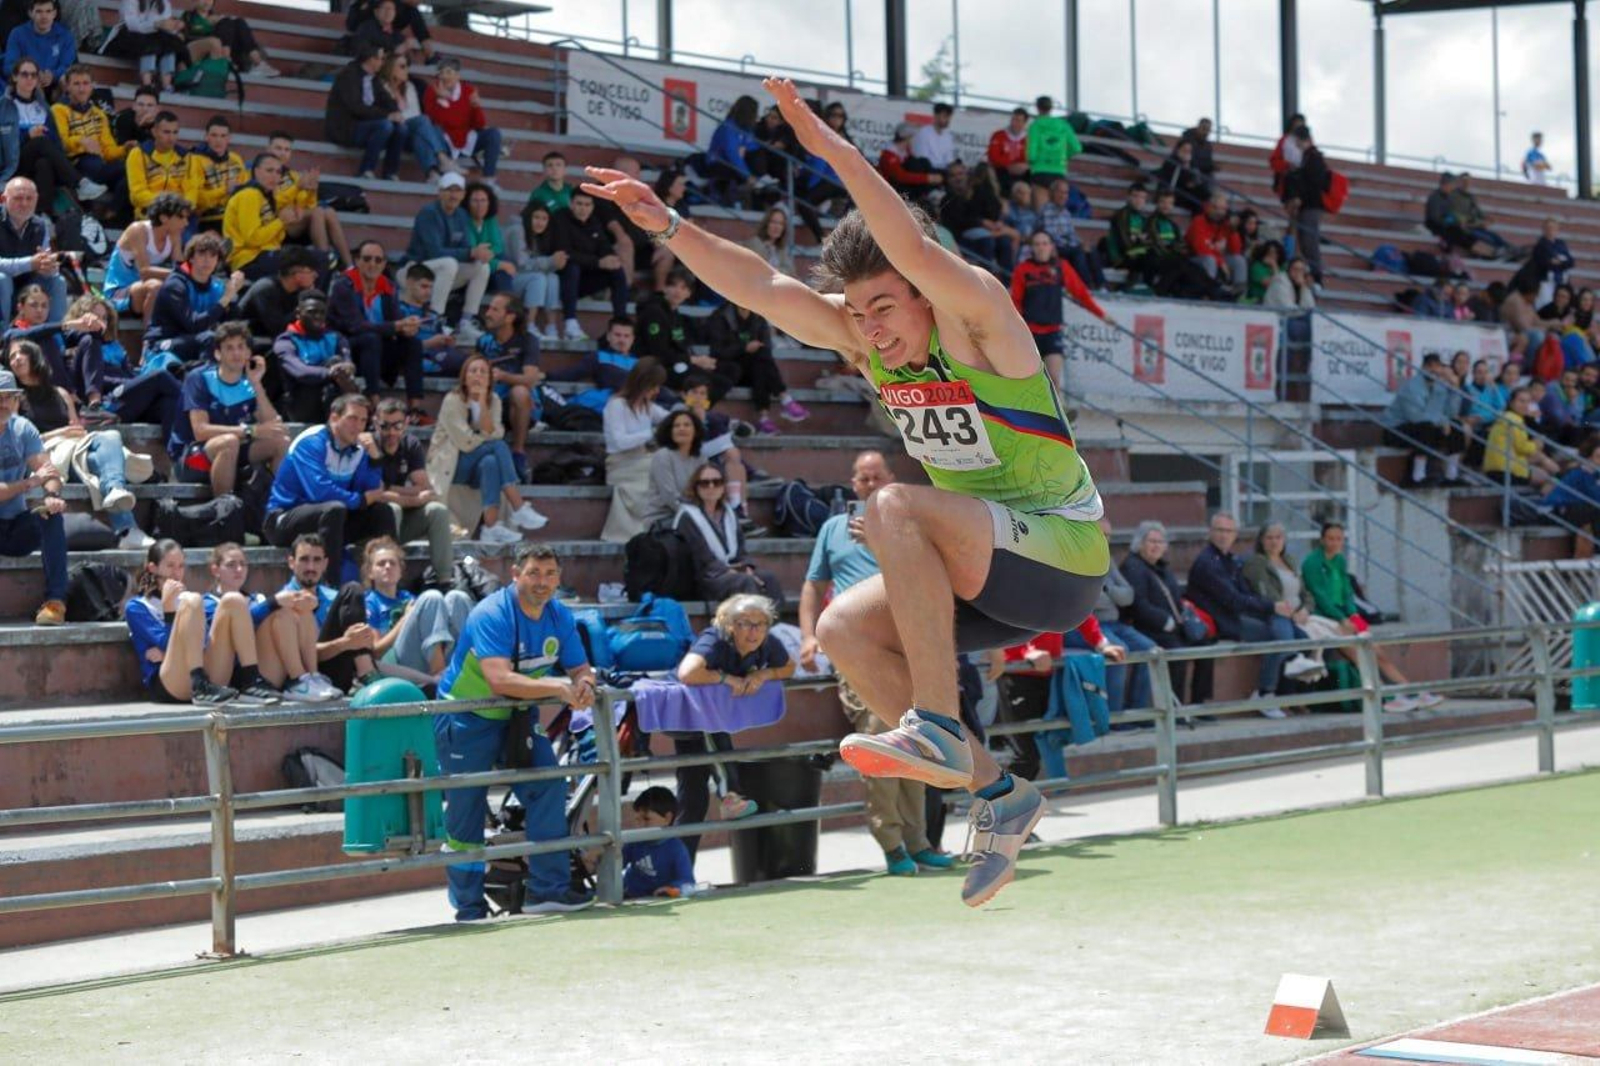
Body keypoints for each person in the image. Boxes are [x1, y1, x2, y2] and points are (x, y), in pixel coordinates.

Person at [585, 76, 1109, 907]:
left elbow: (913, 250)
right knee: (840, 628)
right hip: (992, 569)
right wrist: (671, 226)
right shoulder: (869, 344)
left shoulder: (980, 321)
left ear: (926, 290)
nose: (869, 328)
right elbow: (763, 287)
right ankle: (1000, 793)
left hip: (1064, 554)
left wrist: (831, 149)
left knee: (892, 502)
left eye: (885, 306)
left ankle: (936, 726)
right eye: (857, 312)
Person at [799, 450, 954, 875]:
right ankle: (892, 842)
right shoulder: (832, 529)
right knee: (881, 739)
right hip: (859, 649)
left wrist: (880, 542)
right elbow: (813, 586)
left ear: (891, 480)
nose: (869, 485)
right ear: (853, 484)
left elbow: (933, 579)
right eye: (862, 479)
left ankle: (918, 840)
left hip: (908, 643)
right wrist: (809, 635)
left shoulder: (908, 527)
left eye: (876, 477)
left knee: (917, 741)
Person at [435, 542, 598, 919]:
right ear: (515, 575)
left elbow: (580, 667)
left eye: (550, 574)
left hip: (518, 715)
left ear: (559, 577)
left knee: (549, 785)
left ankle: (547, 891)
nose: (542, 581)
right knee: (465, 814)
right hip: (465, 717)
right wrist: (558, 688)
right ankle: (469, 910)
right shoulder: (491, 613)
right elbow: (500, 680)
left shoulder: (559, 615)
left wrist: (585, 683)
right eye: (533, 573)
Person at [674, 592, 794, 852]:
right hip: (684, 715)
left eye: (760, 624)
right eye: (745, 624)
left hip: (711, 717)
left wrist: (764, 674)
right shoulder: (715, 640)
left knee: (693, 797)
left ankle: (681, 869)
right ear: (730, 626)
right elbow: (687, 672)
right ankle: (730, 796)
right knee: (697, 785)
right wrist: (726, 679)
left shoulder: (767, 642)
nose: (754, 631)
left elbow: (788, 667)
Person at [10, 337, 154, 547]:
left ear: (34, 355)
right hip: (45, 455)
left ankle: (115, 491)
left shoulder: (60, 393)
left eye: (20, 353)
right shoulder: (12, 399)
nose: (15, 359)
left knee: (109, 439)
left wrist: (73, 432)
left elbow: (76, 429)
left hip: (73, 450)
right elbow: (16, 439)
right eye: (11, 356)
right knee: (99, 465)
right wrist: (61, 433)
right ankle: (127, 529)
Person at [1184, 511, 1315, 714]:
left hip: (1237, 617)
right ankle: (1265, 692)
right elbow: (1233, 600)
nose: (1224, 535)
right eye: (1219, 530)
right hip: (1223, 623)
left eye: (1228, 531)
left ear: (1235, 534)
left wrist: (1272, 608)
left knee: (1293, 632)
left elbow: (1246, 594)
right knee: (1277, 636)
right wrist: (1272, 607)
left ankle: (1293, 658)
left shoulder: (1229, 559)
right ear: (1210, 532)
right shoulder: (1208, 562)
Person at [1301, 522, 1441, 712]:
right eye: (1330, 539)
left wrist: (1353, 616)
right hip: (1326, 618)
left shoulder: (1340, 560)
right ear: (1322, 540)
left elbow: (1347, 592)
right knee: (1360, 656)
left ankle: (1410, 691)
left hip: (1348, 615)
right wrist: (1342, 619)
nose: (1335, 543)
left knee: (1378, 652)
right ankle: (1386, 697)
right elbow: (1321, 597)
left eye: (1339, 539)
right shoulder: (1312, 563)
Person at [126, 539, 273, 706]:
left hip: (205, 673)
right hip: (169, 685)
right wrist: (169, 610)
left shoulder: (188, 601)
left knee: (234, 600)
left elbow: (201, 644)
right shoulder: (137, 607)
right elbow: (168, 644)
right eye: (170, 566)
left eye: (181, 566)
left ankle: (250, 681)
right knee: (193, 600)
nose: (176, 573)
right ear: (153, 568)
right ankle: (199, 686)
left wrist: (165, 654)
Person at [262, 393, 398, 567]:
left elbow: (370, 492)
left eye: (363, 421)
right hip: (284, 519)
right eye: (352, 418)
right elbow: (319, 492)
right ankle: (331, 582)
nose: (358, 426)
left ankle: (388, 577)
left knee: (381, 511)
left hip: (332, 519)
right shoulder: (311, 441)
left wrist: (375, 458)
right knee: (334, 508)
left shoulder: (359, 448)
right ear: (334, 418)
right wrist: (360, 500)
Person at [424, 351, 545, 543]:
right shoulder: (452, 400)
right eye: (473, 371)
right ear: (464, 377)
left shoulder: (493, 400)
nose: (478, 375)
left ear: (490, 379)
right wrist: (488, 436)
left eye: (483, 372)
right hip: (450, 465)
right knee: (498, 446)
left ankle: (491, 527)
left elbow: (497, 432)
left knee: (490, 462)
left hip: (475, 465)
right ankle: (518, 505)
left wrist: (481, 402)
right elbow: (466, 442)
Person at [206, 541, 342, 701]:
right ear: (215, 570)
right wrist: (273, 602)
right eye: (231, 565)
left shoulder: (257, 599)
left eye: (243, 564)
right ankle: (298, 680)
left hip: (263, 673)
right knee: (279, 611)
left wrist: (304, 604)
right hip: (230, 675)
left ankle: (310, 677)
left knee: (296, 611)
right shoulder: (208, 602)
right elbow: (227, 635)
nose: (239, 569)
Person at [169, 320, 287, 497]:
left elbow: (273, 426)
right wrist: (252, 431)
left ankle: (273, 506)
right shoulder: (199, 378)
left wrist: (256, 384)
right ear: (218, 354)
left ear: (249, 353)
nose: (236, 353)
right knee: (229, 442)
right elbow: (200, 431)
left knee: (281, 442)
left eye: (241, 347)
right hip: (193, 459)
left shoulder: (248, 385)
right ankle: (224, 508)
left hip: (234, 453)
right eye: (229, 348)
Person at [327, 238, 425, 418]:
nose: (372, 264)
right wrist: (396, 326)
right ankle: (374, 403)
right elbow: (355, 326)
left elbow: (395, 321)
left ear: (384, 264)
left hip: (377, 349)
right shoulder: (343, 286)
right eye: (367, 259)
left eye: (378, 260)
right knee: (370, 339)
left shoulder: (388, 286)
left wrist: (407, 327)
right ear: (357, 261)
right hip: (350, 349)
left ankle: (415, 408)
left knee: (413, 343)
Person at [1120, 519, 1211, 706]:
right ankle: (1173, 710)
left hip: (1172, 626)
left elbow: (1176, 598)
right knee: (1177, 653)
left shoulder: (1163, 568)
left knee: (1206, 646)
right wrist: (1166, 622)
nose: (1156, 546)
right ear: (1140, 543)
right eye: (1151, 541)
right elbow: (1138, 605)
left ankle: (1198, 703)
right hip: (1147, 628)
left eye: (1160, 542)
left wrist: (1182, 618)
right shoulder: (1132, 566)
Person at [277, 531, 381, 693]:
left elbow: (362, 643)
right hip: (304, 680)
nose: (311, 567)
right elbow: (302, 657)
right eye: (304, 559)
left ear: (325, 564)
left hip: (339, 673)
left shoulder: (337, 599)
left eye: (317, 560)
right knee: (352, 589)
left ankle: (366, 672)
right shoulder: (282, 603)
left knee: (353, 590)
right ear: (291, 562)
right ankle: (366, 673)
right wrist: (345, 643)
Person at [361, 536, 473, 685]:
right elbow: (375, 651)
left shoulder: (408, 598)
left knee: (457, 598)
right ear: (370, 572)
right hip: (396, 664)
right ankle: (439, 673)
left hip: (423, 657)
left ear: (400, 571)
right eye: (381, 564)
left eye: (392, 563)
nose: (387, 567)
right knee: (432, 597)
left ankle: (474, 667)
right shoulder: (369, 602)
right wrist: (405, 618)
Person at [1241, 522, 1341, 688]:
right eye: (1269, 538)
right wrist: (1293, 613)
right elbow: (1267, 592)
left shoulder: (1292, 560)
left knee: (1324, 642)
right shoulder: (1258, 562)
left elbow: (1309, 593)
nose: (1274, 542)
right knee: (1293, 642)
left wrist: (1306, 610)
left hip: (1306, 616)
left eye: (1278, 537)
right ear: (1262, 541)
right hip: (1279, 614)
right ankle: (1271, 691)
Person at [673, 459, 782, 604]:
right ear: (696, 487)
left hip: (731, 571)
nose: (711, 487)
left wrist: (747, 567)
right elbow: (701, 557)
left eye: (717, 482)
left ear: (723, 486)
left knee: (768, 579)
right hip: (704, 578)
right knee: (745, 581)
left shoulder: (728, 512)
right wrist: (733, 571)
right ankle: (752, 618)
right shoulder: (688, 517)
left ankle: (774, 619)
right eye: (705, 483)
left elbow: (741, 549)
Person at [0, 365, 61, 623]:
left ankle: (55, 602)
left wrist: (51, 495)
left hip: (14, 525)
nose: (3, 404)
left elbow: (49, 472)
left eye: (9, 397)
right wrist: (30, 483)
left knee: (50, 515)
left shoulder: (23, 429)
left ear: (17, 401)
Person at [1010, 229, 1105, 390]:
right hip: (1028, 333)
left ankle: (1058, 407)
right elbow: (1015, 302)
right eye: (1037, 244)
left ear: (1051, 246)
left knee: (1054, 380)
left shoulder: (1061, 266)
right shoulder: (1022, 269)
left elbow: (1080, 293)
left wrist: (1102, 315)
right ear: (1032, 248)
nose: (1041, 247)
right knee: (1026, 381)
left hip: (1052, 332)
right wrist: (1016, 329)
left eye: (1045, 243)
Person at [369, 397, 452, 578]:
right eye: (385, 426)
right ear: (375, 423)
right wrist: (414, 499)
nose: (391, 432)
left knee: (437, 511)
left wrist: (390, 488)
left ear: (406, 423)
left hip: (399, 524)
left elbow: (423, 487)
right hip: (371, 524)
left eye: (397, 426)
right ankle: (389, 577)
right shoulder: (369, 445)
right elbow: (377, 494)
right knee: (392, 508)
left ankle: (445, 578)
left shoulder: (410, 444)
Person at [405, 171, 490, 342]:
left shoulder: (462, 215)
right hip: (415, 269)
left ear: (463, 194)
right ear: (440, 192)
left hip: (443, 271)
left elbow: (465, 248)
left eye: (457, 191)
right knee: (449, 263)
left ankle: (466, 322)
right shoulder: (429, 213)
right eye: (449, 190)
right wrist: (470, 252)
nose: (453, 195)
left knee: (482, 267)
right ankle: (435, 319)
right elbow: (434, 252)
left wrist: (477, 253)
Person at [704, 299, 808, 435]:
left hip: (754, 369)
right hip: (729, 369)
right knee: (761, 363)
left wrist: (752, 349)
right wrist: (744, 348)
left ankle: (765, 418)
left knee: (761, 363)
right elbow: (716, 352)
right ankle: (784, 400)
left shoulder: (759, 317)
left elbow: (767, 347)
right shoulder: (720, 316)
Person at [8, 60, 97, 213]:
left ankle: (41, 213)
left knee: (45, 164)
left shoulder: (43, 108)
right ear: (15, 77)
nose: (29, 78)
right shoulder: (5, 106)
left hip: (36, 163)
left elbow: (56, 142)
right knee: (40, 141)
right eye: (24, 74)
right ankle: (79, 182)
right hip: (12, 163)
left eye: (34, 75)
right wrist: (27, 135)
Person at [144, 232, 246, 365]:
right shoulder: (176, 284)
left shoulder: (217, 286)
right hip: (162, 344)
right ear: (191, 258)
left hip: (196, 340)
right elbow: (193, 325)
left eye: (213, 255)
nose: (207, 260)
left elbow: (232, 323)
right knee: (210, 338)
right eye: (202, 254)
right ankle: (205, 377)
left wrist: (232, 296)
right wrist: (226, 298)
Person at [600, 356, 667, 543]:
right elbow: (620, 441)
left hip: (642, 460)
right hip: (621, 465)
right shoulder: (616, 405)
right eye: (654, 386)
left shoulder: (648, 407)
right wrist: (651, 433)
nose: (657, 391)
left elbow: (668, 419)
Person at [475, 291, 541, 473]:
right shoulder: (483, 341)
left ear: (510, 317)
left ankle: (518, 453)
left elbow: (530, 379)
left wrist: (503, 376)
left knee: (519, 391)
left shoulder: (528, 340)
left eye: (495, 310)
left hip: (520, 406)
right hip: (489, 402)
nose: (488, 313)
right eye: (489, 308)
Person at [266, 131, 352, 271]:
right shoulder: (263, 172)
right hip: (275, 223)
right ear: (268, 149)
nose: (283, 153)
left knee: (328, 212)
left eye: (287, 150)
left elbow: (309, 205)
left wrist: (312, 190)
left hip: (296, 221)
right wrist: (297, 188)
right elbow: (273, 202)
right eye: (278, 148)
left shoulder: (293, 176)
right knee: (317, 212)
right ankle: (324, 263)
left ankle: (350, 267)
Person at [551, 187, 628, 341]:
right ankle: (570, 323)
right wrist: (598, 262)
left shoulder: (594, 222)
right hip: (561, 280)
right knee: (571, 267)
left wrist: (611, 259)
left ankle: (620, 323)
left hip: (585, 280)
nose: (583, 209)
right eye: (579, 204)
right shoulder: (560, 218)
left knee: (617, 271)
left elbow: (604, 247)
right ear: (571, 204)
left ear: (592, 207)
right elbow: (564, 253)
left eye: (587, 205)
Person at [101, 190, 186, 322]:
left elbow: (180, 267)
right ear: (164, 218)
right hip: (119, 293)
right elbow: (144, 272)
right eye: (181, 218)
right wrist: (183, 274)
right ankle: (151, 334)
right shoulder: (138, 230)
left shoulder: (175, 236)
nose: (186, 223)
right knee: (155, 286)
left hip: (145, 292)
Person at [273, 289, 358, 423]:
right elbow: (300, 372)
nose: (317, 316)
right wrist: (330, 372)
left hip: (332, 393)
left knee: (338, 365)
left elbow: (347, 364)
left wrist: (345, 368)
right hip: (302, 402)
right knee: (334, 368)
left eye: (322, 313)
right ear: (298, 313)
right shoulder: (286, 341)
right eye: (312, 312)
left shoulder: (336, 337)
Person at [324, 42, 404, 181]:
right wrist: (387, 115)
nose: (383, 62)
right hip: (347, 128)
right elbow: (356, 107)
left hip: (367, 125)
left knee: (401, 128)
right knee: (385, 125)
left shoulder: (374, 79)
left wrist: (396, 113)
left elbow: (386, 100)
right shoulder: (349, 76)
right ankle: (366, 170)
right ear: (371, 59)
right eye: (381, 58)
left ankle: (390, 173)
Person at [1382, 352, 1465, 486]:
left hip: (1423, 428)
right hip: (1395, 430)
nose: (1434, 370)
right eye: (1430, 366)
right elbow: (1416, 417)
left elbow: (1451, 413)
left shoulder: (1440, 387)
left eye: (1437, 366)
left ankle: (1451, 476)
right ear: (1422, 368)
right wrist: (1442, 421)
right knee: (1425, 427)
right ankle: (1418, 477)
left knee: (1456, 425)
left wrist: (1455, 389)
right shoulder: (1411, 387)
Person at [50, 65, 124, 205]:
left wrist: (126, 149)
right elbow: (61, 143)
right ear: (67, 87)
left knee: (125, 172)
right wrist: (81, 142)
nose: (81, 89)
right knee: (94, 162)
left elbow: (108, 151)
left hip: (98, 165)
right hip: (73, 165)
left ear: (91, 86)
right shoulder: (58, 110)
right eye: (76, 84)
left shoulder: (99, 114)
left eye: (85, 83)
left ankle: (113, 212)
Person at [635, 267, 713, 392]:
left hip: (672, 364)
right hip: (653, 367)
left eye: (683, 288)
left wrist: (698, 360)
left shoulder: (676, 314)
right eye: (673, 285)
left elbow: (680, 346)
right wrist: (693, 360)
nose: (678, 291)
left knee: (719, 374)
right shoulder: (654, 312)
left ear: (689, 293)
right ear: (665, 288)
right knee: (704, 380)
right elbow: (658, 352)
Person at [423, 57, 501, 181]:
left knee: (494, 134)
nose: (445, 76)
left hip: (467, 139)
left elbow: (479, 124)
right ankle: (443, 165)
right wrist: (442, 99)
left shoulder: (468, 90)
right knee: (433, 130)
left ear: (458, 76)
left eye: (449, 72)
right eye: (441, 73)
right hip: (444, 142)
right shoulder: (432, 91)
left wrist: (476, 107)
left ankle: (489, 179)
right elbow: (432, 122)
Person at [379, 52, 453, 181]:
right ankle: (442, 158)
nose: (406, 70)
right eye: (402, 66)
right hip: (395, 134)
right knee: (423, 121)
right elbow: (394, 115)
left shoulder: (409, 87)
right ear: (391, 68)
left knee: (421, 134)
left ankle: (432, 173)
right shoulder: (381, 87)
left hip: (411, 132)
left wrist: (404, 117)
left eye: (407, 66)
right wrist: (402, 118)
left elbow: (415, 113)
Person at [0, 175, 63, 321]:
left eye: (29, 199)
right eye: (18, 198)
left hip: (25, 285)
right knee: (2, 279)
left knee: (58, 281)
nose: (24, 204)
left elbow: (43, 258)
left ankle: (54, 331)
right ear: (3, 199)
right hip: (3, 285)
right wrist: (30, 263)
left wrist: (49, 267)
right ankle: (3, 332)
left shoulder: (40, 225)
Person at [616, 787, 696, 899]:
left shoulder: (676, 849)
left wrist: (671, 889)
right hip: (629, 895)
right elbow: (615, 866)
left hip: (658, 899)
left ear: (667, 818)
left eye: (646, 819)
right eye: (637, 820)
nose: (640, 826)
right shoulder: (634, 842)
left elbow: (687, 882)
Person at [222, 152, 290, 282]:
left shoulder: (265, 196)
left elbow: (276, 239)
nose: (274, 176)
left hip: (262, 254)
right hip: (247, 260)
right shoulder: (249, 194)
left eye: (278, 172)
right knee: (298, 264)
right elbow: (252, 238)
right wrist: (281, 221)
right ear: (257, 172)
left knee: (305, 259)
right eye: (269, 170)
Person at [939, 160, 1015, 275]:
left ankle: (1007, 280)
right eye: (953, 175)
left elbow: (994, 210)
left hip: (988, 231)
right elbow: (957, 223)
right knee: (986, 239)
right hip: (962, 238)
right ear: (948, 179)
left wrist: (998, 221)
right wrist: (981, 222)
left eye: (960, 174)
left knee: (1004, 241)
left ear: (967, 175)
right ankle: (986, 277)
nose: (958, 178)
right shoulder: (947, 199)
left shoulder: (978, 192)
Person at [238, 245, 320, 343]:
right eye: (311, 271)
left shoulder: (298, 292)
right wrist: (304, 305)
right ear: (298, 275)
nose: (315, 275)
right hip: (248, 339)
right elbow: (278, 329)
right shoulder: (265, 289)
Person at [1484, 386, 1560, 487]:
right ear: (1511, 403)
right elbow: (1522, 447)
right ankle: (1558, 476)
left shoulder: (1507, 416)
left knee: (1542, 462)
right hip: (1505, 471)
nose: (1525, 405)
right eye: (1521, 401)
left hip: (1498, 467)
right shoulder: (1513, 420)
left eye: (1528, 402)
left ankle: (1558, 475)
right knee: (1550, 480)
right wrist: (1536, 444)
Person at [1037, 176, 1104, 291]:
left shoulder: (1065, 212)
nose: (1064, 196)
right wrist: (1074, 245)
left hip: (1067, 245)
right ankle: (1086, 285)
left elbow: (1071, 233)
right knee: (1077, 252)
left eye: (1066, 193)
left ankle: (1101, 285)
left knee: (1090, 249)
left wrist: (1081, 243)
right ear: (1052, 193)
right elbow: (1049, 235)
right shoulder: (1047, 210)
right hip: (1054, 246)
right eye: (1060, 192)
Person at [100, 0, 185, 91]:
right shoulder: (131, 1)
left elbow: (165, 27)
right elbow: (132, 25)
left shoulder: (164, 3)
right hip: (126, 40)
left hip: (152, 40)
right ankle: (147, 83)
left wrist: (174, 27)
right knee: (150, 43)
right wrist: (156, 24)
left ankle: (167, 84)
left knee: (171, 43)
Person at [507, 201, 562, 341]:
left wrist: (557, 263)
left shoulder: (539, 235)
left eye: (544, 219)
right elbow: (521, 264)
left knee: (552, 278)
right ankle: (529, 325)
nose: (540, 223)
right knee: (539, 278)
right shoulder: (517, 230)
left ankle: (551, 327)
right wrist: (551, 261)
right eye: (536, 217)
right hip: (508, 279)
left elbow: (540, 264)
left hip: (525, 279)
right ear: (528, 217)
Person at [1280, 125, 1328, 282]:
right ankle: (1310, 274)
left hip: (1310, 205)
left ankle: (1316, 275)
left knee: (1309, 241)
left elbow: (1315, 183)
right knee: (1304, 241)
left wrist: (1300, 196)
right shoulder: (1304, 158)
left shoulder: (1313, 158)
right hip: (1304, 205)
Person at [398, 262, 464, 374]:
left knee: (469, 362)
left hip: (438, 356)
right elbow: (397, 348)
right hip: (414, 358)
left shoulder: (433, 314)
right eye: (424, 286)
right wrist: (428, 343)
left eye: (431, 287)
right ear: (409, 283)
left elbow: (443, 341)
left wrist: (448, 342)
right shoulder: (398, 311)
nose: (428, 292)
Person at [180, 0, 277, 76]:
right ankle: (226, 60)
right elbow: (186, 38)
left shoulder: (216, 17)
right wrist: (208, 25)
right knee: (225, 22)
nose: (207, 2)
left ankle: (258, 63)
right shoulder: (188, 16)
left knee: (239, 22)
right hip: (205, 51)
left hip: (225, 49)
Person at [644, 406, 700, 528]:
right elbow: (669, 496)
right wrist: (698, 517)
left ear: (696, 431)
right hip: (662, 520)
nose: (681, 428)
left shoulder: (700, 459)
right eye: (676, 426)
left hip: (692, 517)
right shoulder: (662, 456)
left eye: (687, 425)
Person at [1547, 437, 1600, 558]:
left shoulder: (1595, 474)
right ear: (1588, 457)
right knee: (1596, 510)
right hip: (1559, 509)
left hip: (1578, 509)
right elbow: (1594, 497)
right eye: (1598, 457)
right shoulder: (1580, 473)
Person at [4, 0, 72, 93]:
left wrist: (53, 75)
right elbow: (9, 66)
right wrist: (32, 74)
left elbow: (67, 65)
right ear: (30, 13)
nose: (44, 16)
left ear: (54, 14)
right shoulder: (17, 34)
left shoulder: (65, 35)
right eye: (39, 11)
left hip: (54, 83)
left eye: (48, 11)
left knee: (66, 79)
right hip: (27, 81)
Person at [1186, 192, 1246, 295]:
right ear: (1209, 207)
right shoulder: (1199, 221)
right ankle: (1208, 293)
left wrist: (1233, 230)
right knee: (1210, 260)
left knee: (1239, 260)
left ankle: (1238, 294)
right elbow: (1201, 249)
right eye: (1216, 208)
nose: (1219, 212)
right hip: (1195, 258)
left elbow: (1236, 250)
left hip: (1216, 258)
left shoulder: (1225, 224)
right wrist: (1221, 262)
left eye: (1223, 209)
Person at [1027, 96, 1081, 210]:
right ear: (1051, 108)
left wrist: (1032, 162)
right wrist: (1064, 157)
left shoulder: (1035, 126)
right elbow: (1076, 148)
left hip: (1040, 171)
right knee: (1057, 212)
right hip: (1059, 171)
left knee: (1042, 213)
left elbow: (1031, 154)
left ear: (1037, 108)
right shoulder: (1063, 125)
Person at [463, 180, 514, 296]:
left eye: (483, 200)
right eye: (475, 201)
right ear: (467, 202)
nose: (479, 205)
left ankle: (506, 303)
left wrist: (486, 254)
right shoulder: (463, 221)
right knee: (503, 267)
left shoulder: (490, 219)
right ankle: (506, 303)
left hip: (488, 265)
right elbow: (472, 252)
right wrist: (497, 264)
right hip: (471, 268)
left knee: (504, 263)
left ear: (489, 203)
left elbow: (498, 246)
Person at [877, 120, 942, 200]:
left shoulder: (905, 151)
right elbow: (900, 176)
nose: (915, 140)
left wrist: (931, 177)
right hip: (891, 189)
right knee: (917, 164)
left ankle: (932, 191)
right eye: (913, 137)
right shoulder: (889, 155)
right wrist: (927, 178)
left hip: (904, 185)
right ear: (907, 137)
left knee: (924, 162)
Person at [1152, 140, 1210, 215]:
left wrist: (1188, 166)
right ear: (1178, 150)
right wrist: (1185, 166)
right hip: (1172, 193)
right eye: (1184, 149)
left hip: (1186, 193)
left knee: (1203, 194)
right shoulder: (1170, 162)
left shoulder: (1192, 164)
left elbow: (1195, 180)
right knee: (1196, 202)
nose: (1187, 152)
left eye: (1189, 150)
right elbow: (1177, 179)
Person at [986, 107, 1030, 195]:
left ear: (1025, 123)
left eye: (1018, 120)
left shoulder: (1029, 138)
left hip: (1023, 173)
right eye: (1013, 119)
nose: (1014, 123)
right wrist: (1009, 165)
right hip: (1003, 171)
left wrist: (1025, 165)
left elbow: (1032, 158)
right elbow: (993, 157)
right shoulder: (999, 135)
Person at [911, 101, 957, 172]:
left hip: (944, 171)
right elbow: (923, 160)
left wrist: (955, 168)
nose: (948, 120)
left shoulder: (948, 136)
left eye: (949, 117)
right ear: (936, 116)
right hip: (927, 171)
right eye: (945, 116)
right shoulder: (924, 132)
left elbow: (949, 159)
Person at [112, 83, 158, 149]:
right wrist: (141, 126)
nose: (145, 109)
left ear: (157, 109)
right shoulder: (124, 119)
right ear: (134, 106)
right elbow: (125, 148)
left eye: (150, 105)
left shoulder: (160, 123)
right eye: (141, 104)